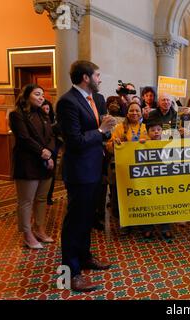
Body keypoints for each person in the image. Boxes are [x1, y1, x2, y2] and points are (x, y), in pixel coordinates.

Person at [56, 60, 117, 292]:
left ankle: (84, 257)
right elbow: (75, 141)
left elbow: (98, 131)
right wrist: (101, 130)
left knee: (86, 220)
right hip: (79, 171)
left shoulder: (95, 99)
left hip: (94, 168)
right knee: (74, 223)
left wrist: (106, 129)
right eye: (98, 75)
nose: (100, 79)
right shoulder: (67, 102)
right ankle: (70, 274)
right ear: (85, 77)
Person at [9, 84, 55, 249]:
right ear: (27, 95)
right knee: (26, 201)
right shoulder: (17, 114)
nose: (41, 97)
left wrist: (49, 152)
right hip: (27, 162)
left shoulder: (43, 114)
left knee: (42, 198)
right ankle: (27, 234)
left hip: (45, 161)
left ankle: (39, 229)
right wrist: (42, 151)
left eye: (42, 94)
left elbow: (51, 136)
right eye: (37, 94)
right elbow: (24, 138)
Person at [140, 120, 173, 239]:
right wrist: (140, 144)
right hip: (148, 179)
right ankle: (148, 228)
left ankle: (166, 228)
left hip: (164, 179)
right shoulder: (144, 143)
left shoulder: (167, 142)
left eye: (158, 129)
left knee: (164, 203)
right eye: (153, 130)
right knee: (148, 203)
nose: (156, 132)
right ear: (148, 132)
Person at [41, 99, 62, 206]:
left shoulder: (54, 122)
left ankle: (49, 196)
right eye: (43, 108)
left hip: (53, 150)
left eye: (47, 108)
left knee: (51, 174)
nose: (46, 110)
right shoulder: (38, 121)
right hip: (40, 151)